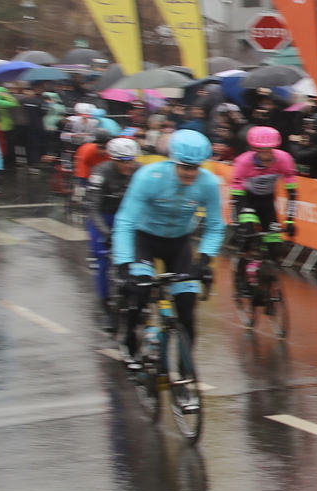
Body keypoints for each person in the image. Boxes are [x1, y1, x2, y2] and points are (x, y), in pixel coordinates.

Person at [111, 129, 225, 368]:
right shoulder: (149, 176)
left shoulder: (208, 183)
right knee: (139, 292)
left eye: (195, 168)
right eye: (185, 167)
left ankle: (186, 371)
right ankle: (129, 338)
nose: (190, 173)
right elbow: (125, 221)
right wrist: (123, 264)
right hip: (144, 239)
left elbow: (215, 226)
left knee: (186, 308)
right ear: (174, 161)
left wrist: (204, 260)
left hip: (179, 242)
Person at [84, 136, 141, 326]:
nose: (128, 165)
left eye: (131, 160)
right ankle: (106, 307)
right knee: (103, 261)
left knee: (137, 259)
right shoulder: (101, 172)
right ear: (113, 159)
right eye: (123, 161)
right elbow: (92, 207)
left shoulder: (139, 170)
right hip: (103, 216)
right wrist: (106, 233)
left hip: (127, 216)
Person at [229, 125, 297, 232]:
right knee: (247, 230)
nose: (266, 155)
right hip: (248, 199)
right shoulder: (243, 161)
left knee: (273, 238)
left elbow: (292, 194)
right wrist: (235, 221)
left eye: (269, 150)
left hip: (268, 201)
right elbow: (236, 195)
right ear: (255, 150)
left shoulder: (284, 159)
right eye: (261, 150)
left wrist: (290, 221)